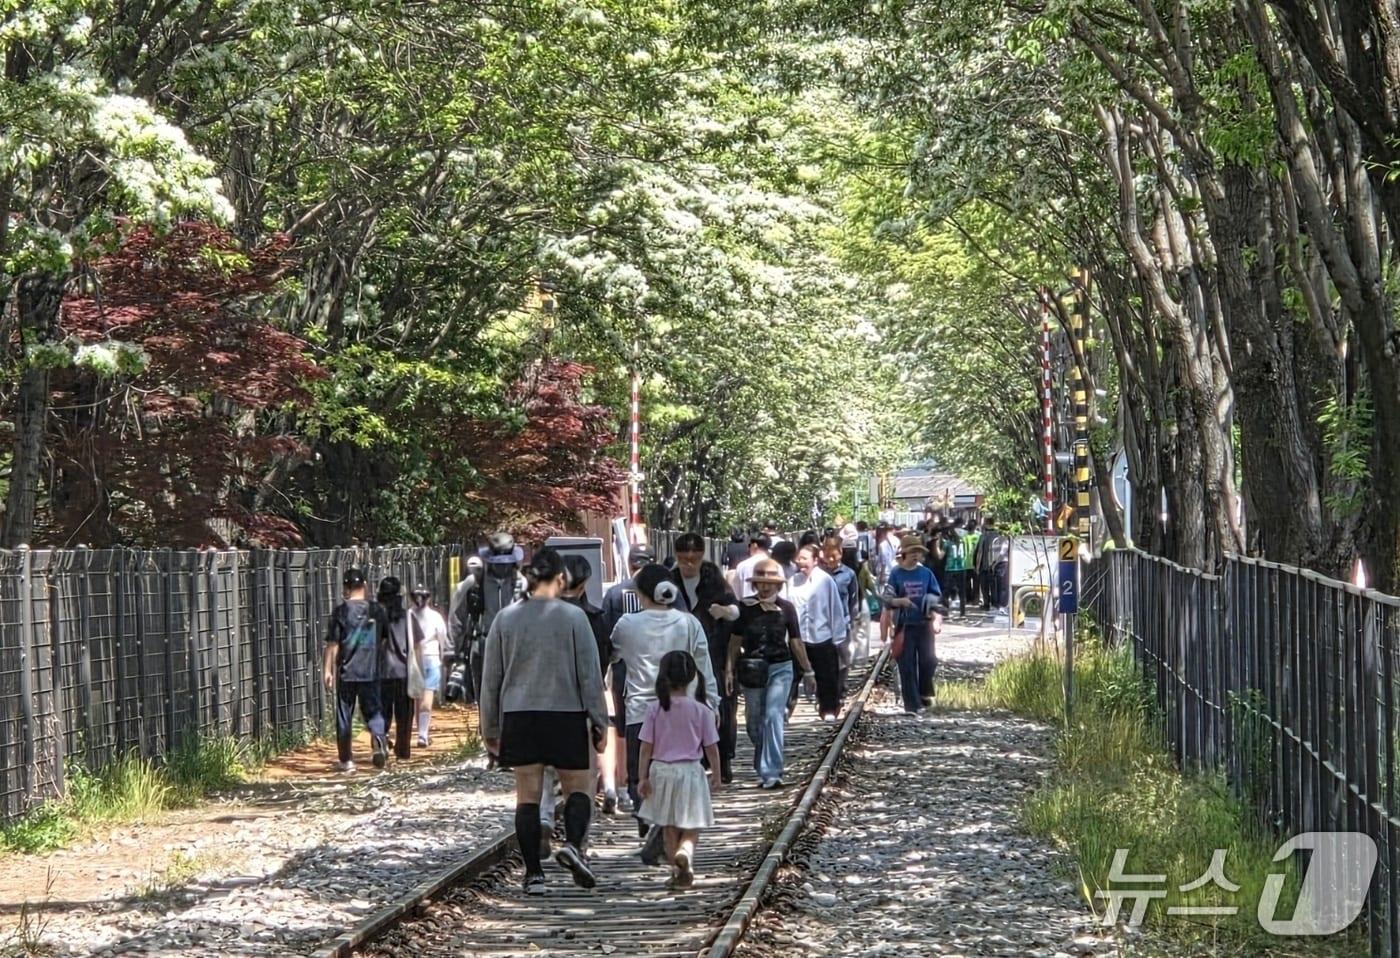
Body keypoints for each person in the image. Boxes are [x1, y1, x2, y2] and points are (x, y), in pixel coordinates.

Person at [480, 548, 608, 895]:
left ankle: (533, 874)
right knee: (578, 787)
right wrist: (600, 721)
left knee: (528, 797)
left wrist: (490, 728)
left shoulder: (505, 620)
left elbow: (491, 678)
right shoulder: (573, 618)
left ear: (528, 578)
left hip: (520, 714)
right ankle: (574, 846)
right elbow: (590, 675)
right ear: (561, 579)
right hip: (566, 711)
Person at [609, 564, 718, 863]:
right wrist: (714, 703)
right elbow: (704, 664)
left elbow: (614, 654)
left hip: (640, 711)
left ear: (641, 592)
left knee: (639, 773)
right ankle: (668, 832)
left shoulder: (626, 624)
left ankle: (652, 821)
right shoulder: (688, 623)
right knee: (680, 765)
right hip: (683, 709)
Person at [638, 650, 721, 891]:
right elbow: (712, 748)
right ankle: (686, 852)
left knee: (669, 827)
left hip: (661, 772)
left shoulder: (655, 709)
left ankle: (677, 870)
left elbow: (646, 747)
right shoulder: (702, 710)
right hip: (691, 772)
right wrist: (716, 774)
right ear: (692, 677)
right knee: (692, 823)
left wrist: (642, 777)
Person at [727, 558, 812, 788]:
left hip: (780, 667)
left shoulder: (786, 608)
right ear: (755, 584)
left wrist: (808, 671)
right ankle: (762, 759)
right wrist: (729, 670)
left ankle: (772, 771)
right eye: (761, 582)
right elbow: (735, 642)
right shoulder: (744, 608)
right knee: (754, 722)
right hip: (752, 669)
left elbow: (795, 641)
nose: (765, 587)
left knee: (773, 716)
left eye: (770, 583)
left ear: (778, 585)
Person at [669, 532, 740, 783]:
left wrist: (723, 611)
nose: (689, 564)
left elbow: (735, 610)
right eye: (683, 558)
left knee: (719, 707)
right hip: (679, 657)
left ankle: (722, 759)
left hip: (713, 653)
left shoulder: (714, 579)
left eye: (694, 559)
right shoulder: (670, 580)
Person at [599, 543, 661, 814]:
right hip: (658, 667)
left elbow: (607, 637)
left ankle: (627, 785)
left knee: (625, 728)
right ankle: (653, 785)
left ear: (630, 563)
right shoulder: (662, 592)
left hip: (624, 668)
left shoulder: (614, 594)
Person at [560, 555, 618, 813]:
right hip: (585, 700)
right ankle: (578, 842)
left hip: (548, 701)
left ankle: (546, 817)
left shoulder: (540, 617)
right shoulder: (595, 618)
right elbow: (603, 662)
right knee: (583, 774)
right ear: (585, 584)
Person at [322, 568, 389, 772]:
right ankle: (378, 739)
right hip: (370, 670)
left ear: (345, 588)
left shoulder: (341, 612)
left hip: (347, 670)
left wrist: (327, 670)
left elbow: (333, 644)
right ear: (366, 586)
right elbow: (385, 639)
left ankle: (346, 760)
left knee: (344, 714)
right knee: (374, 710)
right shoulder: (377, 610)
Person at [450, 533, 527, 705]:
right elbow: (457, 616)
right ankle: (487, 730)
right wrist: (454, 649)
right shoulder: (474, 582)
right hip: (484, 645)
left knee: (514, 700)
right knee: (486, 701)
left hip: (515, 647)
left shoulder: (522, 583)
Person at [882, 536, 944, 714]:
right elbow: (887, 599)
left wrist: (936, 618)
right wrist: (899, 601)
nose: (916, 555)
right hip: (905, 625)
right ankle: (912, 705)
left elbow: (936, 598)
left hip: (924, 624)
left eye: (919, 552)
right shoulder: (896, 574)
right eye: (912, 552)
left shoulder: (926, 574)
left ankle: (924, 692)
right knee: (907, 665)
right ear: (904, 553)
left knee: (929, 661)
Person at [790, 544, 847, 721]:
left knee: (827, 677)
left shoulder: (825, 580)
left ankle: (828, 709)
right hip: (797, 638)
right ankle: (786, 709)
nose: (801, 562)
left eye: (805, 558)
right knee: (792, 676)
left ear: (815, 560)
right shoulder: (792, 582)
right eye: (799, 558)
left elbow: (835, 608)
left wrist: (838, 637)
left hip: (821, 636)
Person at [378, 577, 415, 761]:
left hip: (381, 671)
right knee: (404, 713)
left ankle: (381, 741)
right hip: (403, 671)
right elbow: (416, 644)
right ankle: (403, 750)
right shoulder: (407, 617)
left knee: (383, 711)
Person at [409, 584, 448, 747]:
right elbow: (443, 638)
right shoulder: (435, 616)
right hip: (431, 658)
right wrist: (445, 655)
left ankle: (421, 733)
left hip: (414, 660)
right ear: (429, 598)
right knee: (428, 695)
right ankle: (423, 734)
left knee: (418, 698)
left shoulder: (409, 615)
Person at [822, 535, 860, 697]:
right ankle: (828, 688)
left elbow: (854, 598)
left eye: (834, 555)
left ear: (841, 553)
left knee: (844, 656)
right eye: (827, 555)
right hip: (822, 622)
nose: (831, 559)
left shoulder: (849, 574)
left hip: (843, 621)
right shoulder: (820, 574)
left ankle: (841, 686)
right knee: (826, 658)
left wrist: (853, 619)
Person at [939, 521, 968, 618]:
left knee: (946, 591)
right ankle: (963, 613)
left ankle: (945, 612)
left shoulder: (947, 543)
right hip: (961, 567)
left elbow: (940, 556)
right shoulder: (963, 542)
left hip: (950, 568)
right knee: (962, 592)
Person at [732, 534, 773, 599]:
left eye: (749, 545)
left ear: (754, 545)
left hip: (746, 606)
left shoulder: (742, 566)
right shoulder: (776, 566)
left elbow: (736, 592)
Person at [962, 518, 982, 607]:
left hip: (965, 562)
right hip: (976, 563)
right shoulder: (979, 536)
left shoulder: (964, 536)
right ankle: (976, 600)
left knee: (966, 583)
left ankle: (968, 599)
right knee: (976, 582)